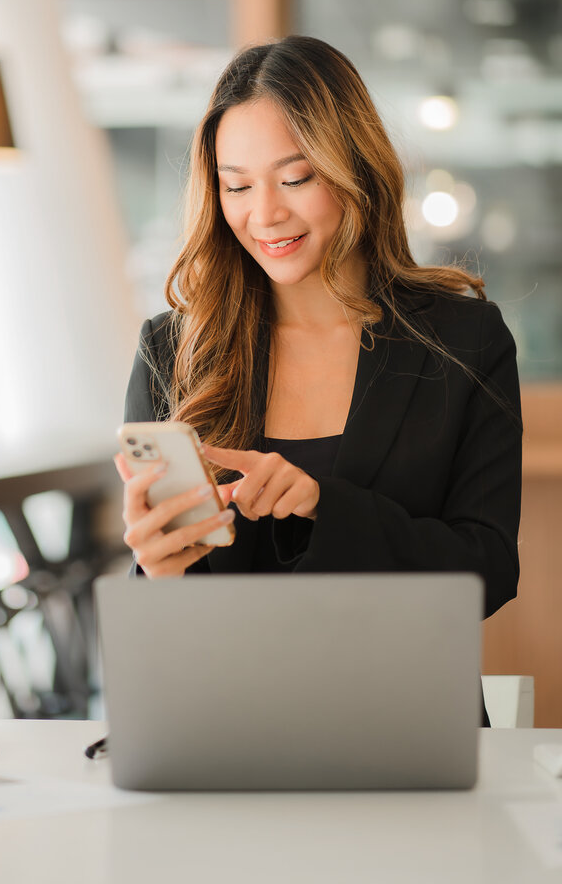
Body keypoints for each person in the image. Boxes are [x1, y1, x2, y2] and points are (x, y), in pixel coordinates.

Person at [116, 35, 521, 652]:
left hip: (403, 722)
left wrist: (323, 506)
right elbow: (163, 621)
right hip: (224, 726)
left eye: (295, 178)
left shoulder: (462, 340)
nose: (266, 214)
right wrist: (158, 569)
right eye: (238, 187)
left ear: (354, 167)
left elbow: (488, 571)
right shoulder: (171, 352)